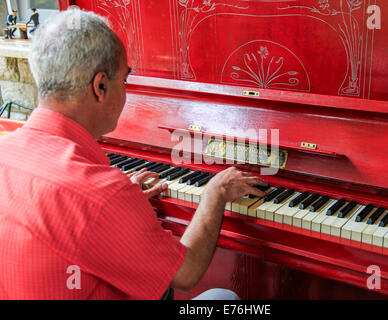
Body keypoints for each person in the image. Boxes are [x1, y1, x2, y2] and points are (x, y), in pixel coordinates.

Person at [0, 9, 268, 300]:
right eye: (125, 80)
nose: (127, 91)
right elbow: (187, 272)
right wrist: (215, 193)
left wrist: (117, 216)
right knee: (224, 300)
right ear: (100, 86)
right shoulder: (101, 194)